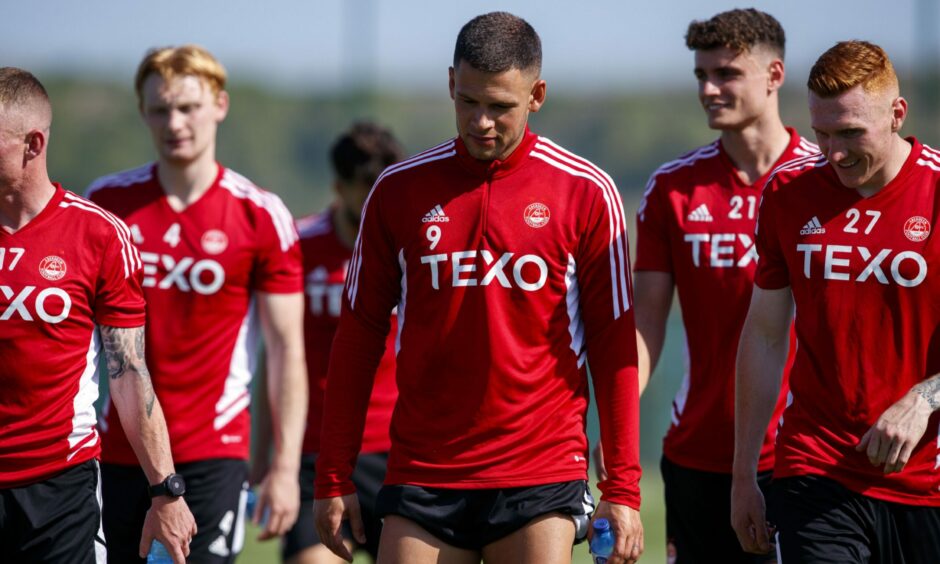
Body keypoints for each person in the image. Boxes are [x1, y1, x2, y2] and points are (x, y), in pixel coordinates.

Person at [314, 12, 643, 564]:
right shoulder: (398, 192)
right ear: (450, 84)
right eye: (469, 102)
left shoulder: (587, 192)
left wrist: (624, 491)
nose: (482, 122)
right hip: (423, 470)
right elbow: (356, 339)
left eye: (501, 106)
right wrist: (331, 476)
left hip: (540, 471)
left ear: (536, 95)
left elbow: (614, 348)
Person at [594, 9, 814, 563]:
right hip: (697, 452)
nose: (709, 89)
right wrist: (618, 423)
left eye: (726, 74)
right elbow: (645, 324)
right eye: (700, 75)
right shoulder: (672, 189)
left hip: (802, 453)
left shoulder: (822, 182)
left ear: (775, 75)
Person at [86, 45, 307, 563]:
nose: (175, 122)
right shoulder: (106, 206)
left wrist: (284, 467)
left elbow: (286, 351)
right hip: (118, 450)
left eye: (188, 107)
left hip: (213, 451)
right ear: (143, 113)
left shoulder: (261, 214)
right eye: (160, 109)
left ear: (220, 105)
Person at [732, 40, 940, 562]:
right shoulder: (788, 192)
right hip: (814, 467)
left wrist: (925, 399)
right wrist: (743, 476)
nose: (834, 153)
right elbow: (764, 334)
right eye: (821, 134)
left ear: (897, 115)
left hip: (928, 481)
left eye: (850, 133)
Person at [0, 67, 197, 563]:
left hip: (59, 492)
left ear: (32, 143)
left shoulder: (100, 235)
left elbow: (128, 373)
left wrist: (165, 490)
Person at [284, 122, 403, 564]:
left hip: (398, 450)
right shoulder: (299, 245)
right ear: (339, 187)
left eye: (385, 185)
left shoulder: (410, 248)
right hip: (316, 451)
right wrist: (268, 455)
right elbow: (276, 353)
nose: (377, 198)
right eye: (366, 187)